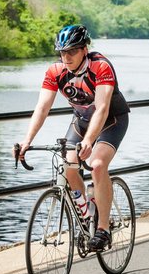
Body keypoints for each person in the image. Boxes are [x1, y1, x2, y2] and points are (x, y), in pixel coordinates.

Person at [15, 24, 130, 251]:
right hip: (81, 121)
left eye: (72, 51)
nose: (66, 57)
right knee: (68, 168)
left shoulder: (101, 67)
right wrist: (27, 140)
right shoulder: (55, 72)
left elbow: (102, 108)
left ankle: (103, 229)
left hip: (111, 120)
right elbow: (42, 107)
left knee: (97, 165)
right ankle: (86, 215)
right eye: (62, 52)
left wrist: (89, 141)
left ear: (84, 50)